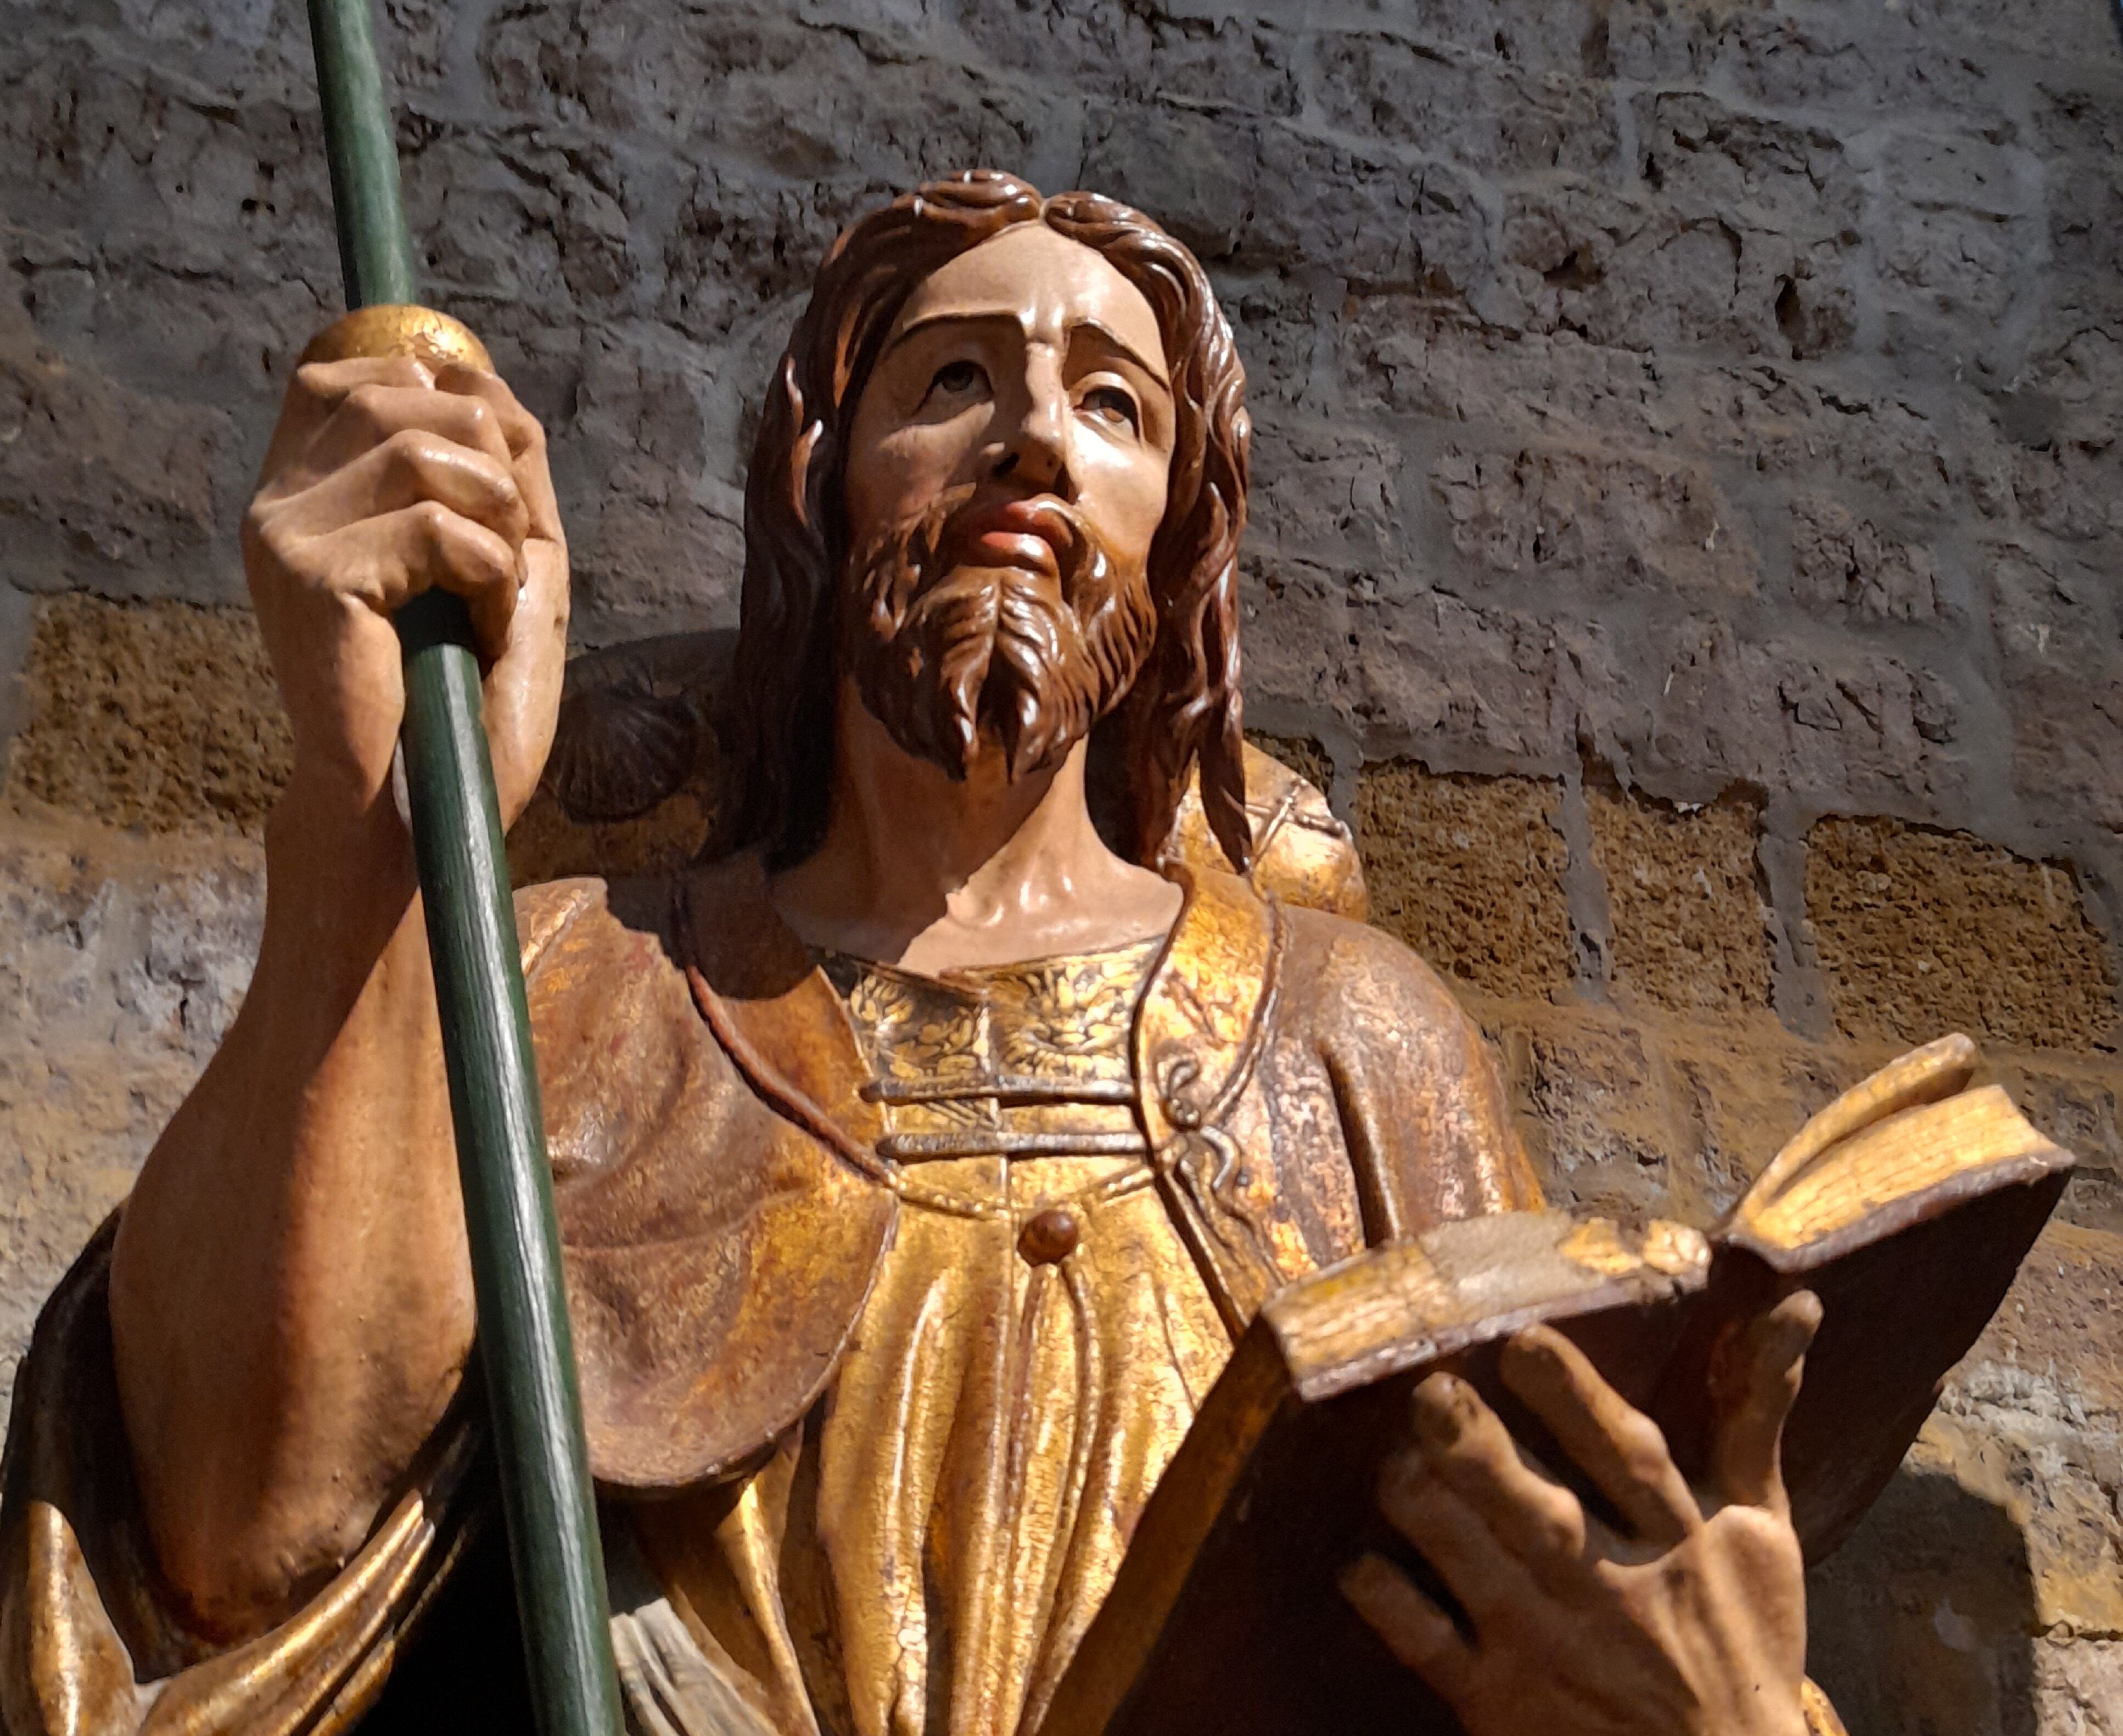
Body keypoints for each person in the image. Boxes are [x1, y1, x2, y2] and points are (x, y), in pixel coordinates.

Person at [0, 171, 1838, 1736]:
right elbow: (230, 1556)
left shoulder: (1350, 1046)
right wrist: (391, 843)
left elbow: (1527, 1606)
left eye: (1115, 407)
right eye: (956, 377)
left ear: (1178, 543)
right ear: (823, 477)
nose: (1036, 434)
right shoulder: (571, 987)